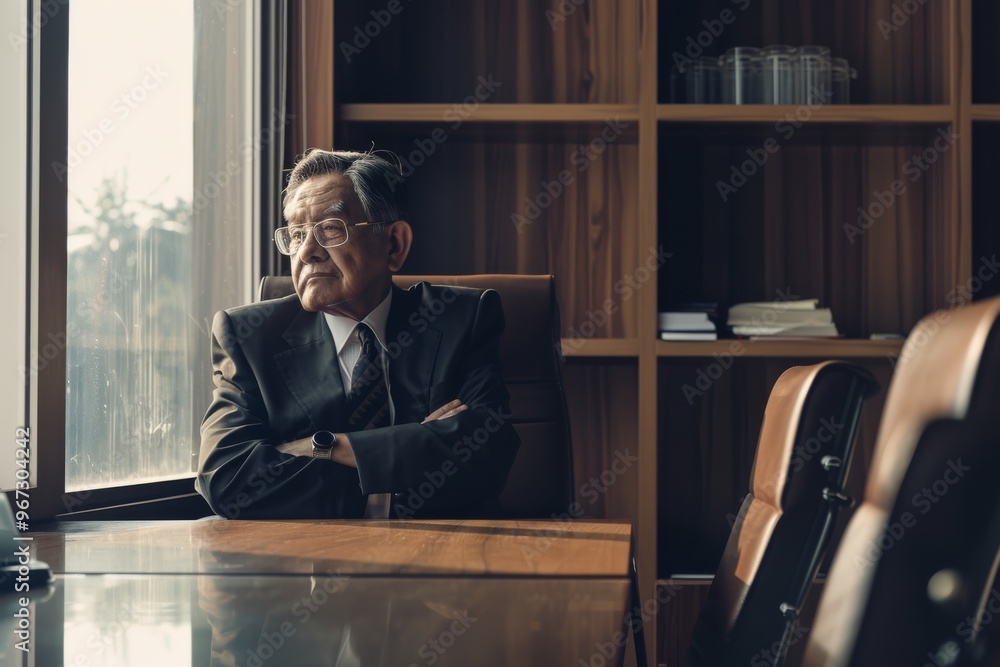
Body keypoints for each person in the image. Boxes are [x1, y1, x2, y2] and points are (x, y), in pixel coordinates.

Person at [195, 149, 520, 519]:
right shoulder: (248, 336)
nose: (308, 252)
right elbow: (229, 480)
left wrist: (322, 447)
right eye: (297, 234)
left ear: (394, 244)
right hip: (303, 564)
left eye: (330, 229)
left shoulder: (462, 319)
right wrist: (410, 456)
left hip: (449, 556)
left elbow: (487, 457)